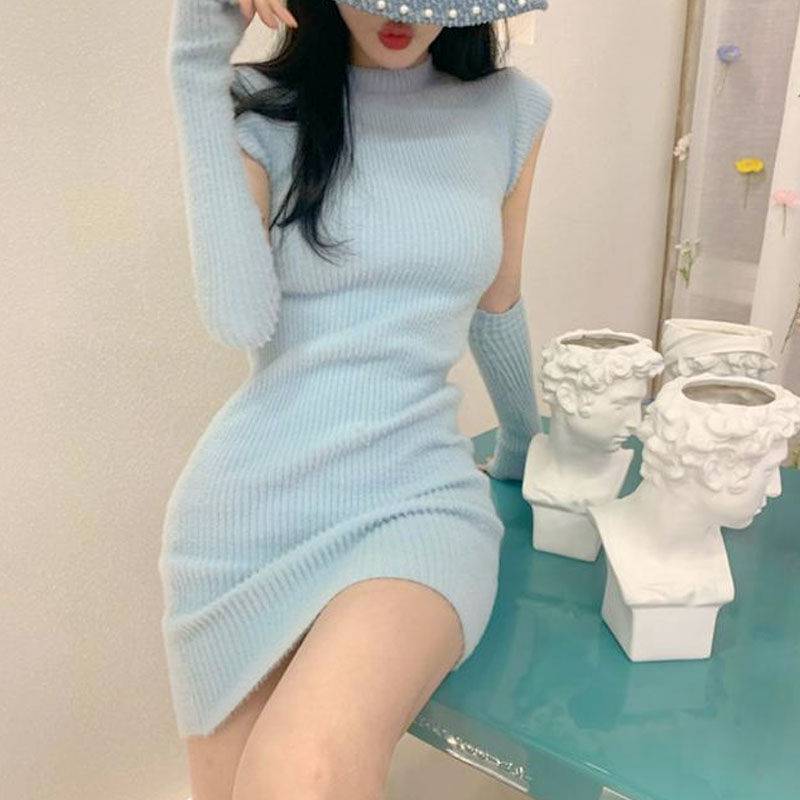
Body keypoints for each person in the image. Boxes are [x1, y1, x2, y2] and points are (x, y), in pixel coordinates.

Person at [158, 0, 553, 796]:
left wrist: (526, 445)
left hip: (418, 501)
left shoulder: (511, 110)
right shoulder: (257, 109)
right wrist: (196, 57)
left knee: (302, 774)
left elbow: (498, 302)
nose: (399, 13)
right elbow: (239, 318)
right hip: (245, 518)